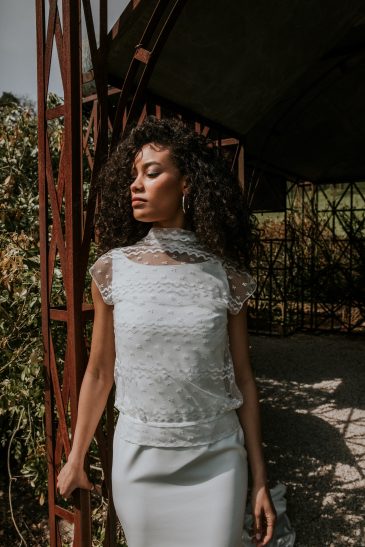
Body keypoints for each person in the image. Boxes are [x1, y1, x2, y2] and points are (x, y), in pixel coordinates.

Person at [57, 116, 277, 546]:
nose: (135, 185)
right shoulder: (112, 270)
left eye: (151, 173)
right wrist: (76, 457)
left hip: (217, 457)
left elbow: (244, 379)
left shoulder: (225, 277)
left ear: (186, 185)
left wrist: (260, 477)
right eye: (133, 175)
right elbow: (100, 372)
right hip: (140, 462)